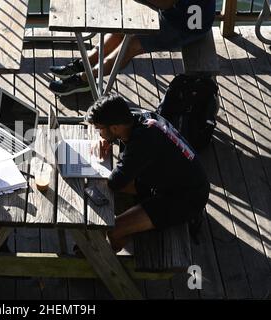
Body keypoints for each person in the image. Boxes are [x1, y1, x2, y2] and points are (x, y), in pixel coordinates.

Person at [85, 94, 209, 251]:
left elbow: (115, 182)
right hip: (175, 181)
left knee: (114, 231)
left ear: (115, 127)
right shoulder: (139, 117)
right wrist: (108, 139)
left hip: (185, 198)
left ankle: (109, 266)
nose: (99, 134)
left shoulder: (142, 142)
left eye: (100, 129)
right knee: (108, 193)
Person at [49, 0, 216, 96]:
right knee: (121, 30)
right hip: (181, 14)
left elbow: (166, 2)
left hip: (187, 26)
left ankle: (86, 79)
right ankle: (84, 63)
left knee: (131, 44)